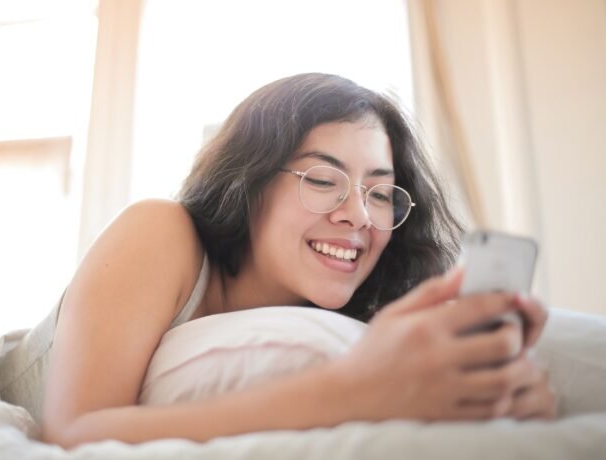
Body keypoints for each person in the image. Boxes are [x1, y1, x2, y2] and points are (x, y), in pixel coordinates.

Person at [38, 73, 556, 448]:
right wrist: (350, 392)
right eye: (323, 180)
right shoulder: (160, 231)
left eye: (380, 194)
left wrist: (499, 401)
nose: (358, 216)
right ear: (249, 182)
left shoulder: (349, 321)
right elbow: (73, 432)